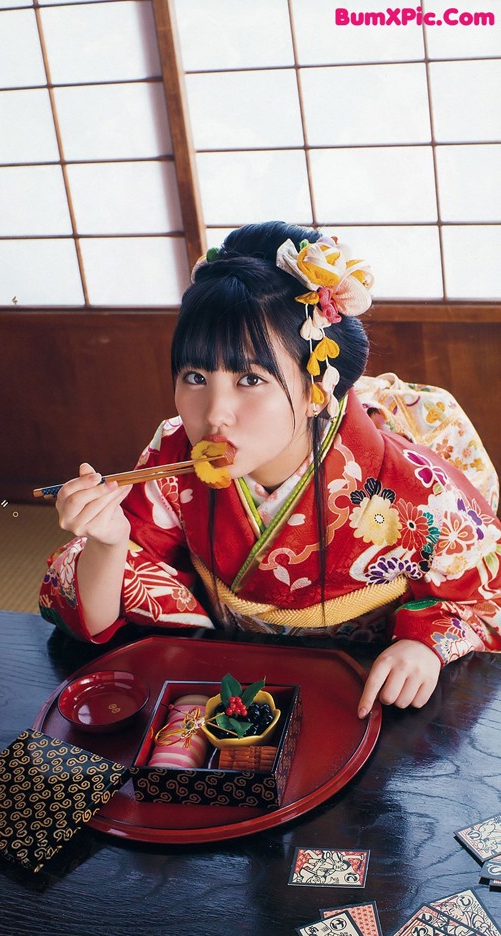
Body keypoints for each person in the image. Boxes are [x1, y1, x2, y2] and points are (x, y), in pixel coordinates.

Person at [39, 222, 501, 719]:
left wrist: (426, 645)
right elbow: (101, 616)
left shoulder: (411, 484)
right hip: (231, 687)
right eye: (195, 376)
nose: (214, 412)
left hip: (365, 695)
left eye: (250, 379)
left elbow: (485, 597)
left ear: (316, 390)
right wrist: (109, 542)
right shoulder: (173, 456)